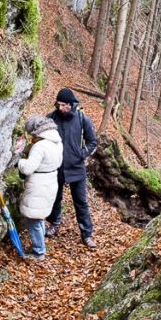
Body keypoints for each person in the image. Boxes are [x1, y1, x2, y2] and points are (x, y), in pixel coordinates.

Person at [46, 87, 97, 248]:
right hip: (57, 167)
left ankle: (87, 234)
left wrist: (82, 154)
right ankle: (54, 222)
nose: (60, 108)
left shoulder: (82, 118)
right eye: (58, 105)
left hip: (77, 168)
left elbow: (92, 141)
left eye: (64, 105)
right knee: (55, 198)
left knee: (81, 202)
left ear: (71, 104)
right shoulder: (51, 118)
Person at [17, 115, 63, 261]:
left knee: (33, 219)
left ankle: (38, 251)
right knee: (39, 217)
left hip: (38, 184)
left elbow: (27, 168)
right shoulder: (57, 142)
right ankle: (39, 245)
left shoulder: (40, 146)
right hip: (50, 181)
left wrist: (19, 161)